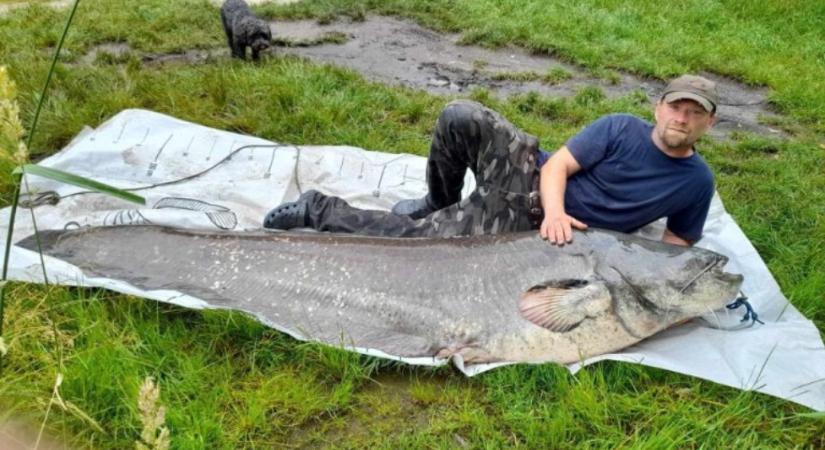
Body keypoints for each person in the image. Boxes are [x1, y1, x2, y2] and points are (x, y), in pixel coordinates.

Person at [263, 74, 718, 247]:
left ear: (708, 124)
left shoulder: (696, 183)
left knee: (419, 242)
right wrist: (557, 212)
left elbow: (677, 244)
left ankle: (317, 209)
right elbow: (557, 166)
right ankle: (439, 199)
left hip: (528, 227)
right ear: (659, 108)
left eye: (695, 112)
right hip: (531, 174)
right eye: (677, 107)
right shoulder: (620, 127)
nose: (683, 117)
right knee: (461, 115)